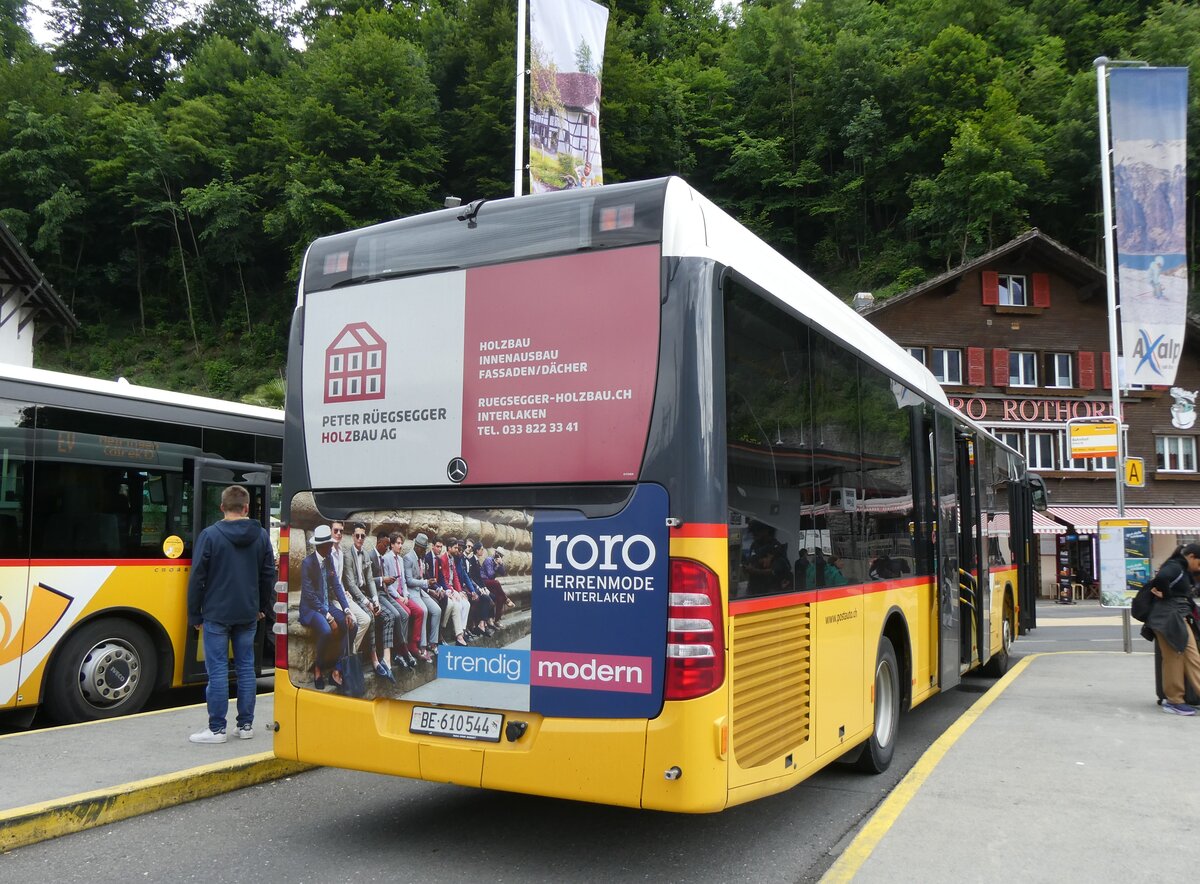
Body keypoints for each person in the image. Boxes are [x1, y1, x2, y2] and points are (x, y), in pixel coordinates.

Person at [187, 484, 276, 744]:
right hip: (248, 613)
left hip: (216, 614)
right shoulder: (261, 536)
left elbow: (197, 578)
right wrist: (261, 607)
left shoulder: (210, 535)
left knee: (217, 671)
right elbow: (268, 574)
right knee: (246, 669)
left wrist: (194, 615)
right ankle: (245, 726)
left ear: (222, 507)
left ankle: (216, 730)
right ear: (246, 508)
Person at [299, 525, 358, 690]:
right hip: (311, 609)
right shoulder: (307, 563)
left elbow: (337, 586)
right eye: (329, 544)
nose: (332, 546)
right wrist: (329, 617)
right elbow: (310, 596)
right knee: (326, 630)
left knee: (352, 626)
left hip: (326, 605)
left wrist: (347, 610)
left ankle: (337, 669)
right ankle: (318, 668)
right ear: (321, 545)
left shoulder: (329, 559)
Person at [1145, 543, 1200, 715]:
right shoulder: (1175, 566)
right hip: (1167, 619)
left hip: (1174, 618)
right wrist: (1167, 596)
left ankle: (1175, 699)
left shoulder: (1183, 569)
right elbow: (1161, 578)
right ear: (1191, 556)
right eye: (1199, 563)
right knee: (1176, 658)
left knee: (1189, 657)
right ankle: (1174, 700)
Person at [342, 521, 394, 682]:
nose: (360, 539)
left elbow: (370, 580)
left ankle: (387, 660)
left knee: (388, 616)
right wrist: (367, 602)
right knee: (370, 617)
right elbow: (350, 584)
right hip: (353, 596)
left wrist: (376, 600)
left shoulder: (365, 554)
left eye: (362, 536)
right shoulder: (347, 555)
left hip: (365, 594)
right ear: (353, 537)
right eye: (357, 536)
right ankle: (374, 659)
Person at [379, 532, 424, 665]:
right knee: (406, 613)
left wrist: (405, 595)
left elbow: (403, 581)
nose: (400, 546)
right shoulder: (386, 558)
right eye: (398, 543)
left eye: (401, 543)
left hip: (402, 595)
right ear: (392, 544)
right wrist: (398, 596)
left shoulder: (400, 559)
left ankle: (412, 645)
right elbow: (387, 584)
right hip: (393, 595)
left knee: (419, 611)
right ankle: (400, 651)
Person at [402, 532, 443, 658]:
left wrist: (429, 589)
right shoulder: (408, 558)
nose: (424, 552)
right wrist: (426, 583)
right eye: (423, 549)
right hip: (412, 591)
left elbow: (421, 577)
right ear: (417, 547)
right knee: (424, 610)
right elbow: (409, 580)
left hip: (421, 591)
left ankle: (433, 643)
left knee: (437, 610)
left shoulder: (421, 558)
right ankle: (422, 645)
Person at [477, 542, 513, 624]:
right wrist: (496, 566)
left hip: (491, 584)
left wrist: (501, 564)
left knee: (500, 598)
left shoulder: (498, 562)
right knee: (497, 582)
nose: (498, 556)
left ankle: (496, 620)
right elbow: (490, 575)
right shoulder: (488, 560)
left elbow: (503, 573)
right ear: (495, 552)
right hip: (484, 581)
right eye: (498, 554)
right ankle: (507, 600)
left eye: (500, 555)